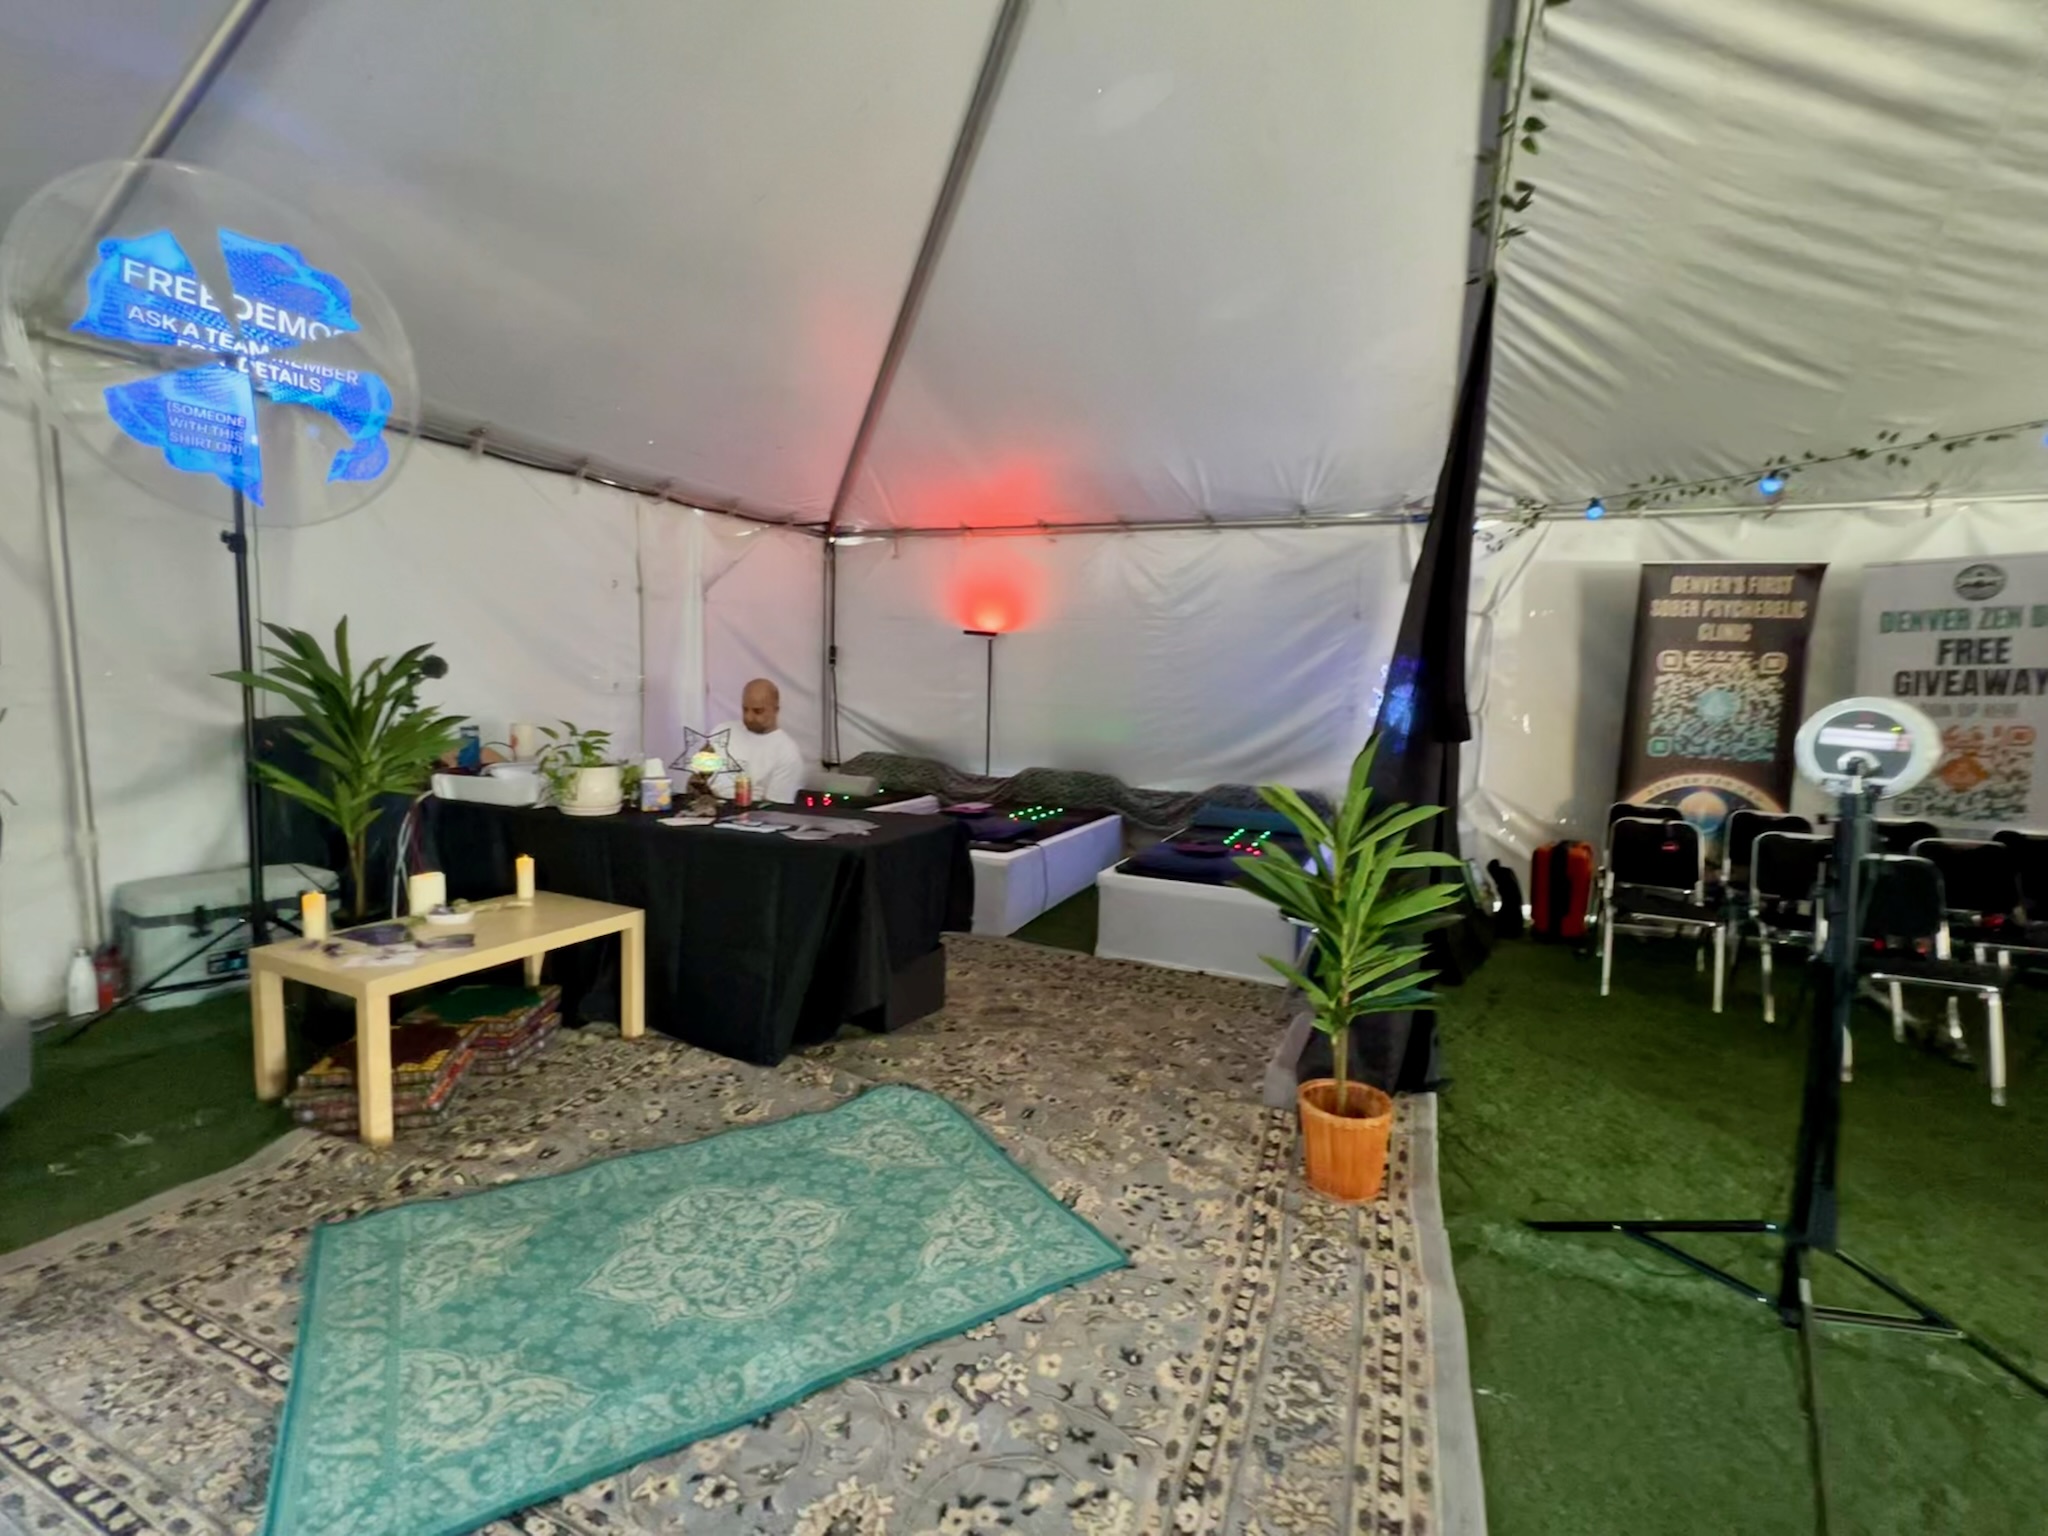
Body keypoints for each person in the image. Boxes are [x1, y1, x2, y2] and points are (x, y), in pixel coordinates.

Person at [713, 678, 807, 804]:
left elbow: (775, 806)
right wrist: (752, 793)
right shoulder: (722, 732)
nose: (749, 717)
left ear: (776, 710)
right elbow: (703, 777)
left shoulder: (787, 753)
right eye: (745, 709)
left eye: (758, 711)